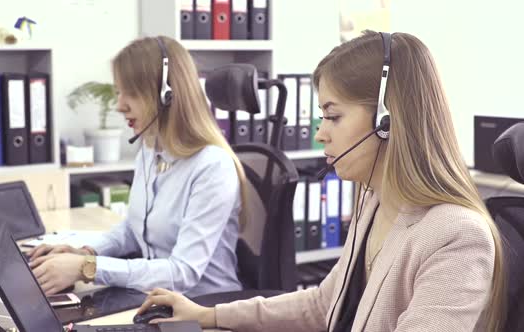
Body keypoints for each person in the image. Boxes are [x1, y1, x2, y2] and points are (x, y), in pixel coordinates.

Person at [136, 31, 506, 332]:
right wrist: (208, 315)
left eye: (333, 116)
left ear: (387, 122)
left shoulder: (456, 236)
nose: (320, 134)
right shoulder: (374, 202)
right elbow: (324, 303)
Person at [27, 36, 247, 298]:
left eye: (130, 92)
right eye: (119, 92)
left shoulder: (212, 166)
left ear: (167, 95)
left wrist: (88, 268)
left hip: (205, 307)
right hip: (154, 298)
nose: (120, 105)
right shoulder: (150, 150)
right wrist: (86, 253)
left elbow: (183, 272)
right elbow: (134, 230)